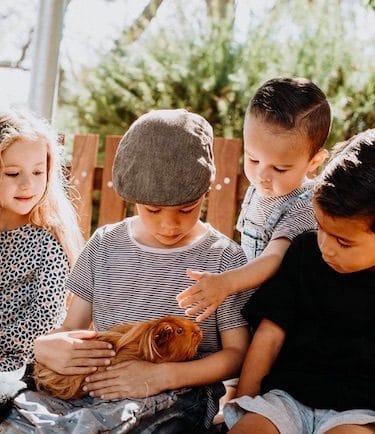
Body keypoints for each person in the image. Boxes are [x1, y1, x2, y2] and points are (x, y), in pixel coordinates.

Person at [3, 109, 251, 434]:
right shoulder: (106, 244)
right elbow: (72, 327)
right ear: (132, 197)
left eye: (186, 209)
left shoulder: (223, 260)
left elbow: (236, 353)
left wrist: (164, 376)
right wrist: (50, 347)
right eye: (153, 209)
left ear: (206, 193)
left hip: (178, 394)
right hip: (97, 391)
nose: (168, 223)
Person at [224, 129, 375, 434]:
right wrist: (243, 405)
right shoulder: (304, 252)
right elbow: (269, 336)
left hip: (360, 411)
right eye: (320, 227)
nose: (326, 246)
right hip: (286, 398)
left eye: (343, 242)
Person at [177, 77, 331, 322]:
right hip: (247, 300)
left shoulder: (304, 205)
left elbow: (274, 257)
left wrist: (227, 282)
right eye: (253, 159)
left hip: (279, 315)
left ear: (314, 162)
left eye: (280, 169)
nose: (262, 176)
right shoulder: (260, 189)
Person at [0, 109, 83, 373]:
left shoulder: (47, 242)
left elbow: (43, 323)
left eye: (38, 172)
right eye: (13, 173)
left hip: (17, 367)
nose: (28, 184)